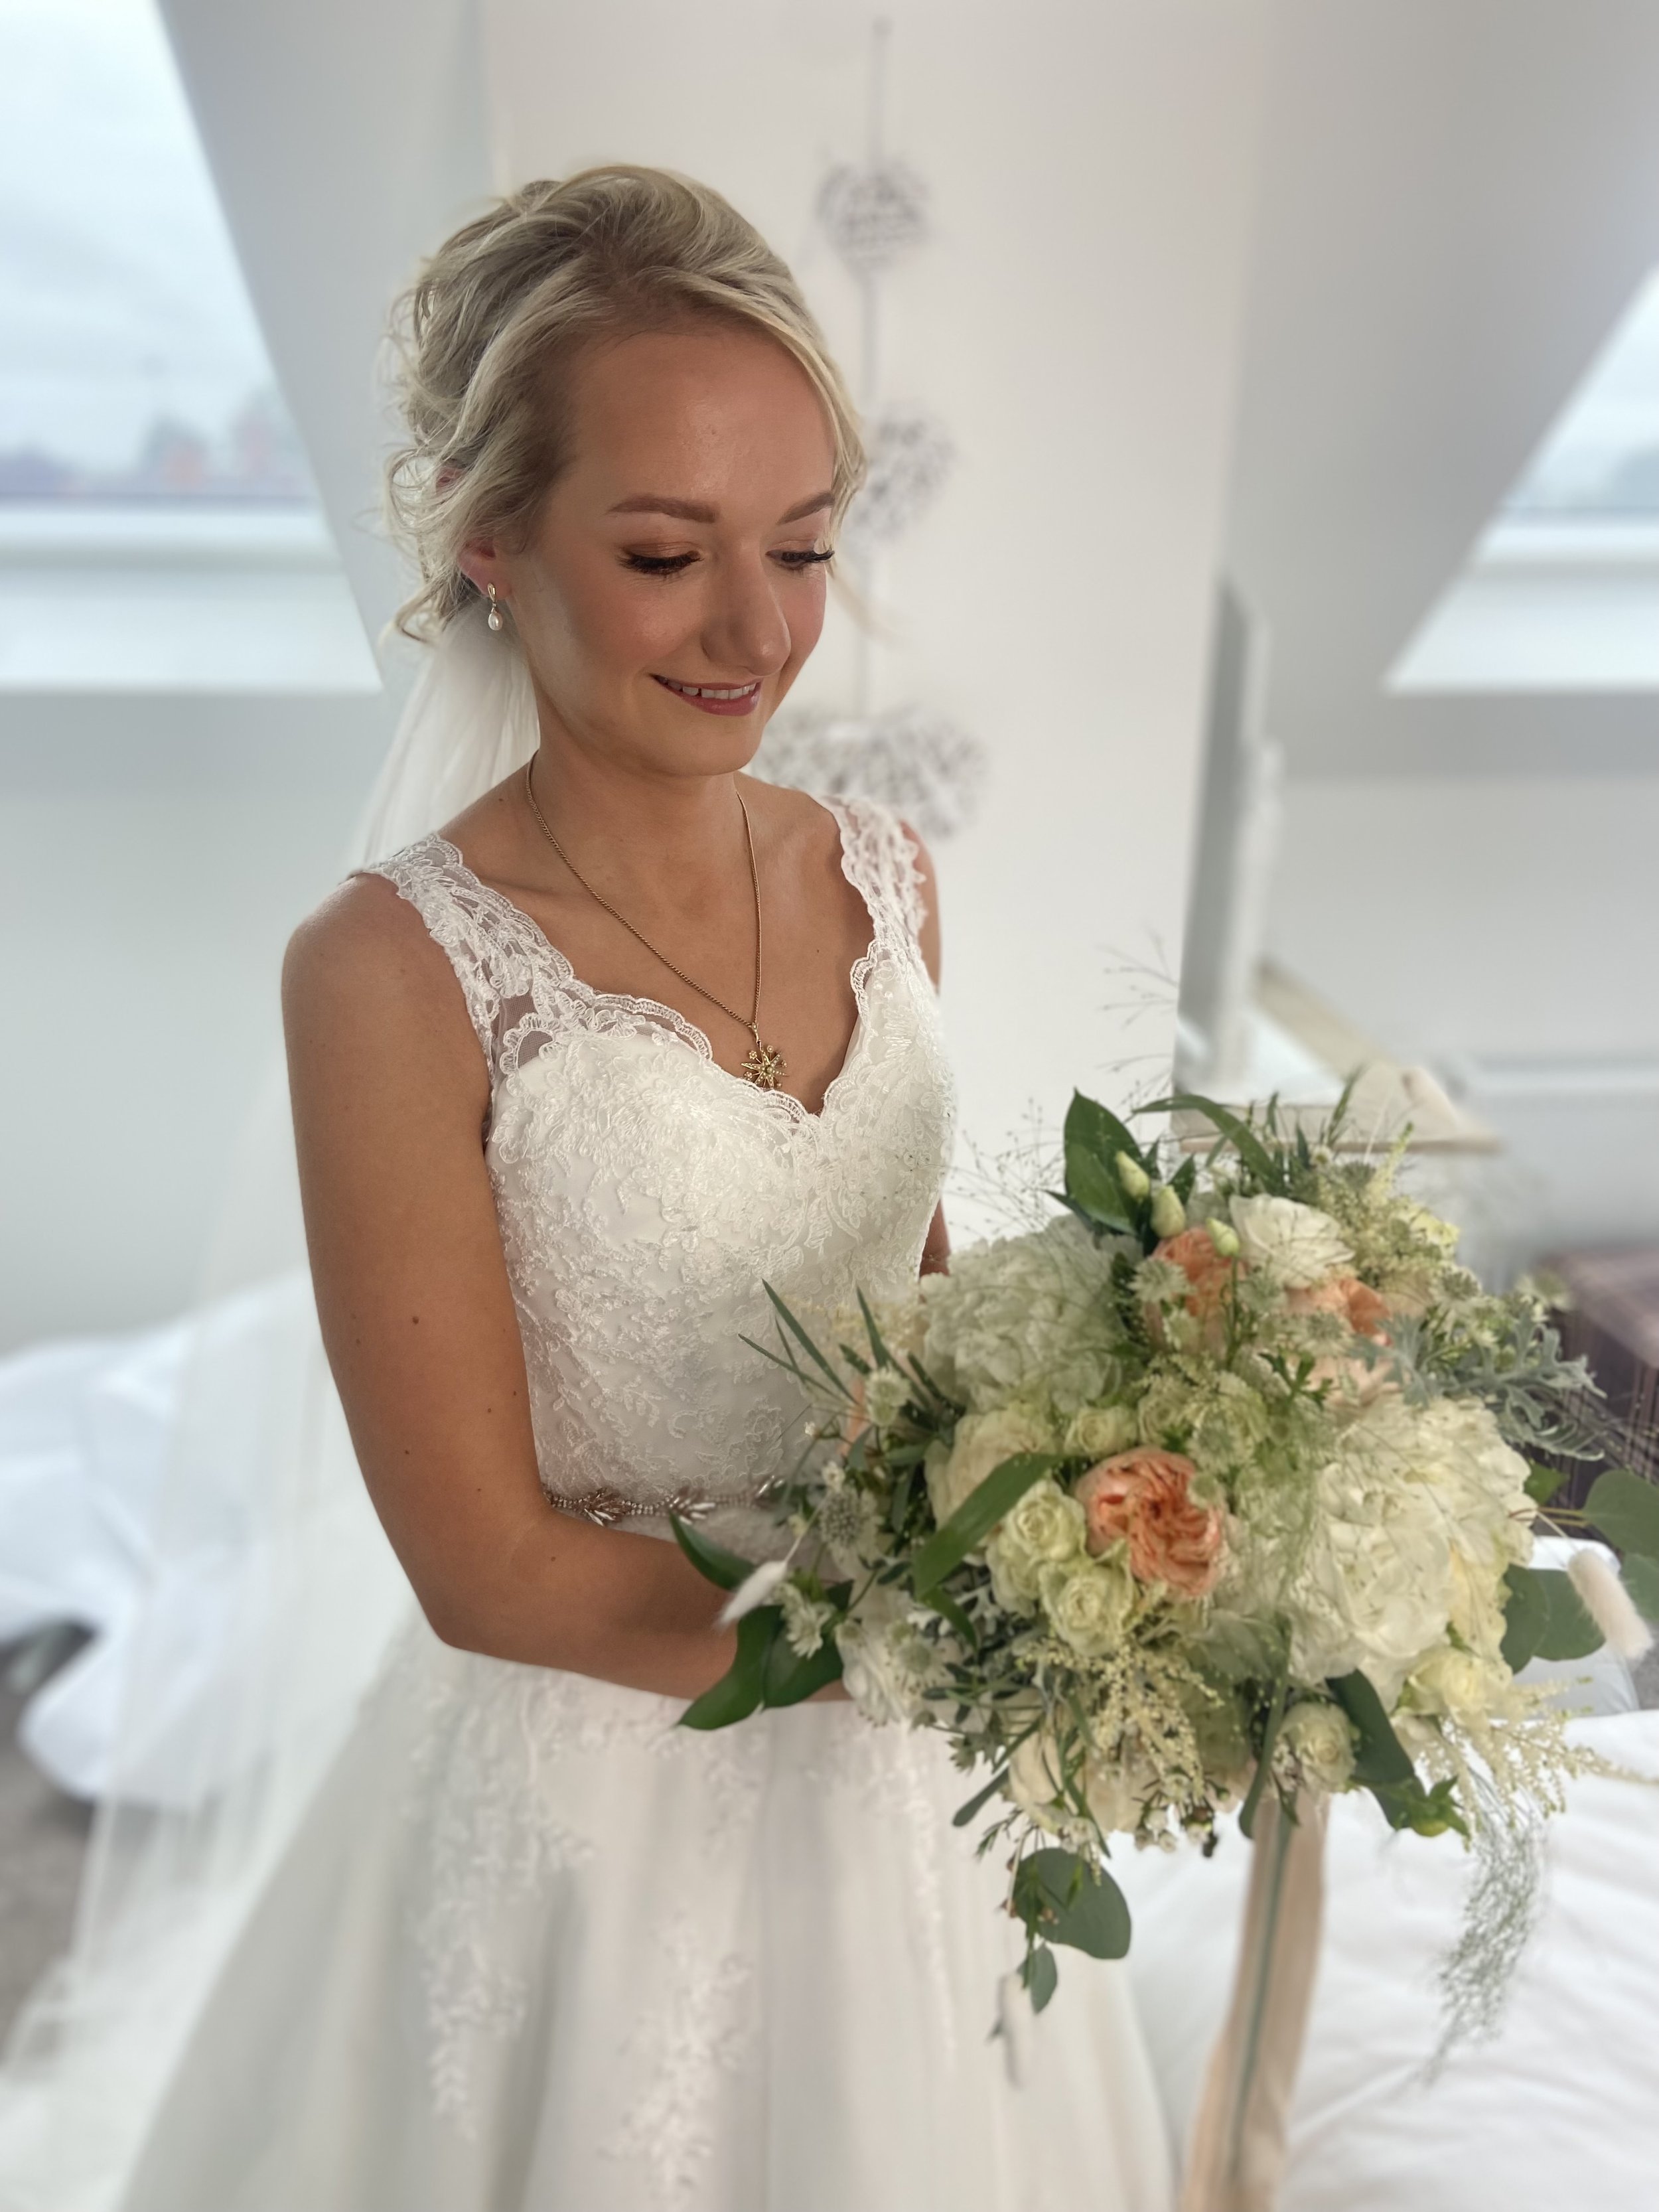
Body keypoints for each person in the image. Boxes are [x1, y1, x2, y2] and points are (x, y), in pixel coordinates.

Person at [9, 167, 1175, 2212]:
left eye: (805, 545)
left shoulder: (887, 877)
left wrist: (1078, 1513)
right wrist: (923, 1635)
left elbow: (917, 1337)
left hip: (909, 1783)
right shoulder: (384, 970)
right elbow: (489, 1570)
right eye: (665, 553)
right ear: (487, 547)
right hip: (596, 1802)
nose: (757, 630)